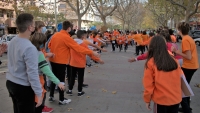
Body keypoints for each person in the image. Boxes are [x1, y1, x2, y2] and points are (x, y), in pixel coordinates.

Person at [48, 21, 99, 105]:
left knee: (54, 77)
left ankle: (51, 96)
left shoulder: (55, 35)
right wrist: (92, 52)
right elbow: (78, 48)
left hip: (52, 59)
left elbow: (49, 45)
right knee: (61, 80)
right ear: (69, 28)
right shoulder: (66, 37)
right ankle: (61, 99)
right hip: (61, 61)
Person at [6, 13, 43, 113]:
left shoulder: (13, 40)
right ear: (30, 27)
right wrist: (39, 93)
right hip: (23, 87)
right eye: (34, 24)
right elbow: (32, 73)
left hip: (11, 83)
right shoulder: (30, 48)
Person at [142, 35, 182, 113]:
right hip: (176, 98)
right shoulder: (173, 59)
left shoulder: (151, 62)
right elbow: (181, 76)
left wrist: (147, 100)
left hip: (161, 100)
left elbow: (148, 85)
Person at [30, 33, 65, 113]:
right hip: (38, 81)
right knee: (38, 105)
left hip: (27, 82)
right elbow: (47, 71)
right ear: (42, 43)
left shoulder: (28, 51)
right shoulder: (39, 54)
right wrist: (58, 82)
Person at [66, 30, 104, 96]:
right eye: (85, 35)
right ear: (83, 36)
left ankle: (70, 90)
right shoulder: (83, 44)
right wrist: (98, 60)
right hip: (80, 64)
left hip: (72, 63)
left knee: (72, 77)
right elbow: (89, 53)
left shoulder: (72, 43)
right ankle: (79, 91)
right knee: (80, 78)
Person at [172, 22, 199, 113]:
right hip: (192, 66)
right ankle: (186, 108)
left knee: (182, 88)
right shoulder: (188, 38)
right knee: (185, 86)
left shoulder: (185, 40)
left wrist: (176, 51)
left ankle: (187, 109)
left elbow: (188, 56)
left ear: (179, 30)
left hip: (189, 66)